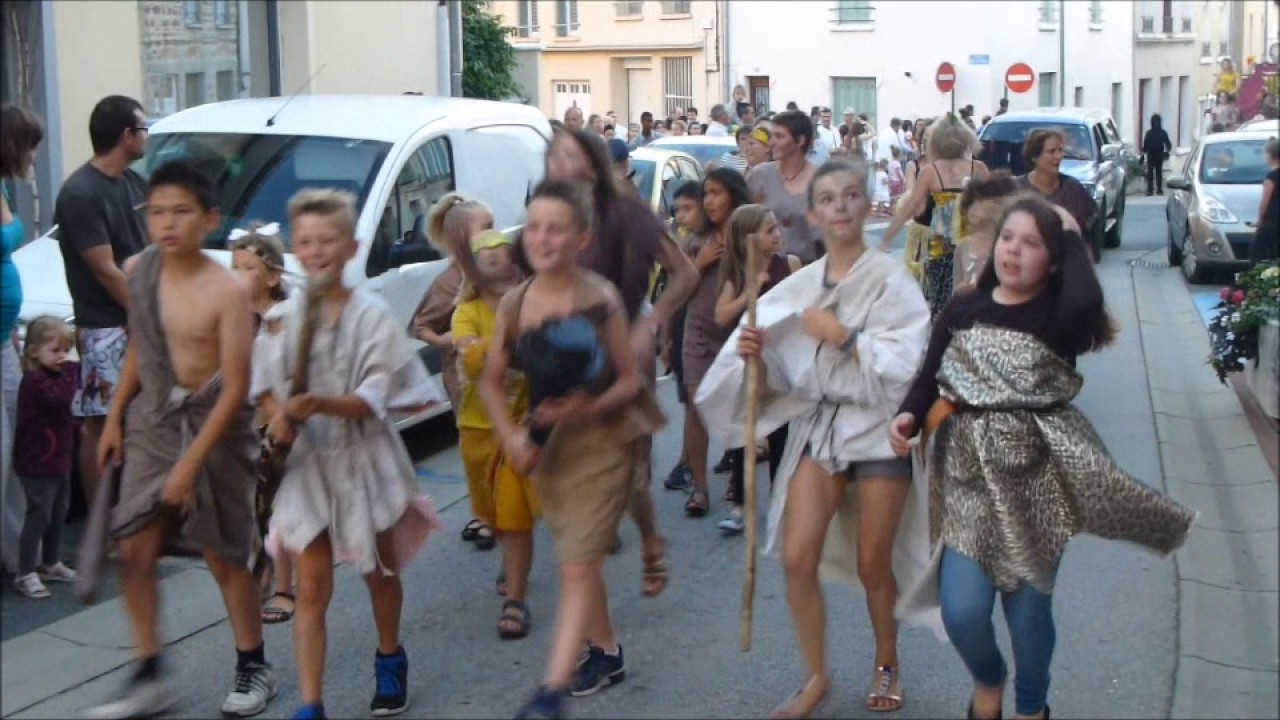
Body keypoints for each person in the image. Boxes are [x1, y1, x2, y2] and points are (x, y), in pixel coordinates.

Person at [890, 195, 1195, 720]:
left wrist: (1072, 236)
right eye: (1008, 238)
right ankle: (989, 679)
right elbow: (928, 375)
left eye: (1031, 244)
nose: (1013, 251)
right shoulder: (964, 307)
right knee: (963, 613)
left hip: (1033, 483)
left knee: (1028, 617)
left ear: (1051, 261)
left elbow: (1084, 300)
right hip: (964, 480)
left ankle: (1032, 706)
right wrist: (909, 417)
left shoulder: (1058, 316)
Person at [697, 159, 931, 718]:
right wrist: (757, 361)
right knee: (796, 556)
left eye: (852, 195)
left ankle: (887, 661)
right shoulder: (799, 286)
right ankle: (816, 673)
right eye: (829, 198)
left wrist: (846, 336)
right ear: (814, 212)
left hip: (878, 430)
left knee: (875, 564)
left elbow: (908, 362)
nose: (842, 206)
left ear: (867, 203)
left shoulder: (891, 279)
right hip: (822, 430)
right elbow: (786, 376)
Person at [453, 127, 697, 599]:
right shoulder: (543, 219)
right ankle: (546, 565)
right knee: (546, 462)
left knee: (628, 473)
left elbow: (683, 273)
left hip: (617, 354)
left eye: (572, 155)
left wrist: (651, 324)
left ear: (593, 161)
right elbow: (517, 279)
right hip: (558, 360)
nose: (563, 165)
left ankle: (646, 540)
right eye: (555, 157)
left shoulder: (626, 211)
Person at [86, 160, 273, 720]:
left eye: (181, 212)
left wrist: (190, 466)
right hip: (153, 422)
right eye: (158, 212)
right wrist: (116, 415)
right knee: (134, 548)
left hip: (216, 428)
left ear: (210, 219)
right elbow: (143, 346)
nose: (167, 223)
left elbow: (236, 388)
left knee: (224, 555)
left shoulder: (228, 291)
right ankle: (149, 670)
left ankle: (252, 664)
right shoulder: (142, 271)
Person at [254, 188, 444, 720]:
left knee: (379, 571)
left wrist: (316, 403)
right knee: (312, 585)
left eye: (327, 241)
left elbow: (375, 398)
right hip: (307, 464)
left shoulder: (372, 315)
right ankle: (311, 703)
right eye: (306, 241)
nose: (315, 251)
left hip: (364, 457)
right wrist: (281, 418)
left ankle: (390, 656)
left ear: (351, 246)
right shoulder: (281, 319)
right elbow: (263, 388)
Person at [490, 180, 664, 720]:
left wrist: (582, 411)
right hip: (549, 454)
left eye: (556, 228)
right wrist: (512, 436)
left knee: (574, 567)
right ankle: (607, 650)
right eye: (534, 227)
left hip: (603, 444)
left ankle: (550, 691)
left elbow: (630, 380)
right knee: (579, 558)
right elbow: (492, 382)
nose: (542, 238)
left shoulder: (599, 299)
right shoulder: (515, 305)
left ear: (581, 238)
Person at [54, 95, 149, 521]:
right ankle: (100, 520)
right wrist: (144, 316)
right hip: (105, 326)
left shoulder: (133, 184)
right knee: (100, 423)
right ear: (126, 136)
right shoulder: (81, 193)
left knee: (144, 422)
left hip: (139, 319)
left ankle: (141, 512)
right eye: (143, 129)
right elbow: (105, 270)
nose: (145, 136)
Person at [452, 229, 538, 638]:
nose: (500, 270)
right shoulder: (466, 312)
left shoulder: (531, 304)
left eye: (507, 262)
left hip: (519, 423)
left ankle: (515, 595)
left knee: (514, 508)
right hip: (477, 427)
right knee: (488, 510)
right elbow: (470, 361)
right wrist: (505, 343)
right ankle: (505, 538)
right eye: (489, 263)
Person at [411, 194, 497, 550]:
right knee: (477, 449)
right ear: (462, 237)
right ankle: (484, 514)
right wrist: (449, 340)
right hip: (465, 381)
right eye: (487, 227)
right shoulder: (449, 280)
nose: (496, 232)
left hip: (505, 377)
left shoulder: (501, 267)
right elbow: (420, 327)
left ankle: (502, 507)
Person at [711, 204, 799, 534]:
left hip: (779, 363)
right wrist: (751, 290)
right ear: (749, 239)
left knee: (780, 435)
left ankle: (781, 501)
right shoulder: (737, 273)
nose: (777, 235)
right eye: (769, 230)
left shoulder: (789, 265)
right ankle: (740, 505)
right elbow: (721, 316)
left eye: (777, 228)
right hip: (748, 364)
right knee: (744, 435)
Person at [229, 224, 296, 625]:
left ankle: (286, 586)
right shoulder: (237, 319)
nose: (237, 276)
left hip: (280, 425)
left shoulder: (280, 320)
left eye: (248, 268)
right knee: (259, 510)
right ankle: (266, 569)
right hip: (248, 426)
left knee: (283, 508)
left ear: (272, 277)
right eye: (234, 267)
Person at [679, 169, 752, 519]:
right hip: (697, 335)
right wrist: (700, 263)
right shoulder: (696, 240)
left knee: (737, 409)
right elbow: (677, 292)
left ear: (733, 196)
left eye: (716, 193)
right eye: (705, 193)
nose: (708, 201)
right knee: (696, 409)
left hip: (734, 334)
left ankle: (738, 481)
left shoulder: (746, 237)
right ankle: (699, 488)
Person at [880, 114, 991, 316]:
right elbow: (996, 205)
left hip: (941, 245)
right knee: (973, 302)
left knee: (941, 304)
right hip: (973, 245)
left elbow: (910, 207)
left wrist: (887, 237)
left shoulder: (931, 171)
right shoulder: (979, 168)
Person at [1, 102, 43, 575]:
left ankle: (16, 555)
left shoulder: (3, 186)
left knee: (14, 447)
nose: (34, 155)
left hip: (4, 336)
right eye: (29, 145)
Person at [12, 316, 79, 599]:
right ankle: (25, 571)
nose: (63, 357)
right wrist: (74, 370)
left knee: (58, 511)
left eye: (66, 350)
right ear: (34, 351)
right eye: (56, 351)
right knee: (38, 513)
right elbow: (58, 400)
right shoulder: (35, 381)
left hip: (59, 457)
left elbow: (64, 411)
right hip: (38, 460)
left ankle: (51, 561)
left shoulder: (54, 377)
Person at [747, 110, 822, 265]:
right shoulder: (759, 176)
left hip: (806, 271)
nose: (771, 142)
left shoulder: (821, 182)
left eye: (779, 136)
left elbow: (827, 238)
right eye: (772, 136)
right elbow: (744, 222)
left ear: (800, 140)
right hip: (765, 270)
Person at [1014, 130, 1097, 258]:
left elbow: (1088, 227)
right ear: (1034, 157)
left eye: (1060, 150)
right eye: (1052, 151)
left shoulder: (1072, 188)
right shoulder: (1017, 189)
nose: (1059, 156)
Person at [952, 172, 1019, 292]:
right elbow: (955, 293)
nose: (974, 208)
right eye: (972, 202)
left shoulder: (1011, 247)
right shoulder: (963, 247)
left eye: (981, 201)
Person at [1250, 137, 1280, 266]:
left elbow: (1265, 201)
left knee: (1256, 252)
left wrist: (1260, 220)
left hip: (1271, 220)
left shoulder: (1271, 177)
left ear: (1269, 155)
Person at [1142, 114, 1173, 196]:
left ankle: (1156, 189)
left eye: (1157, 122)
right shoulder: (1152, 133)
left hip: (1157, 155)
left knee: (1156, 172)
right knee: (1152, 173)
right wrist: (1143, 154)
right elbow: (1145, 146)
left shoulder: (1158, 133)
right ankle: (1152, 189)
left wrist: (1167, 152)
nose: (1156, 124)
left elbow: (1168, 145)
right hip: (1153, 155)